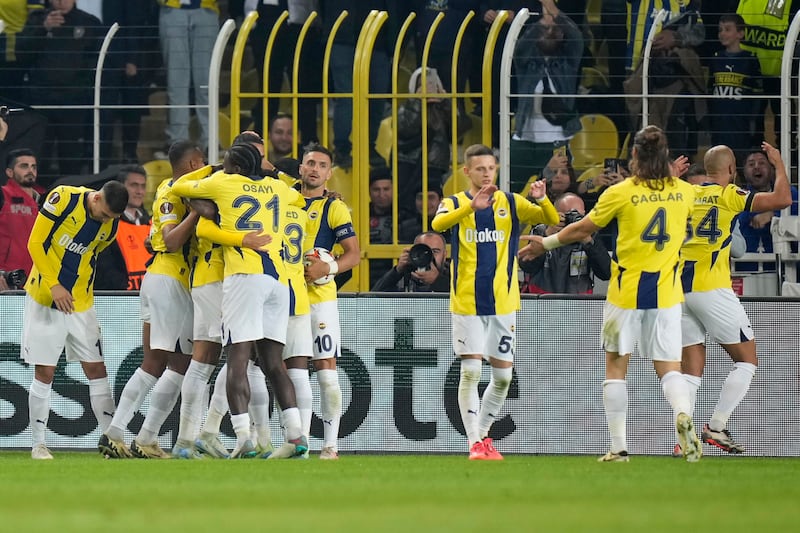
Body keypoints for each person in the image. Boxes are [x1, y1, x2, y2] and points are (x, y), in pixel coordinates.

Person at [518, 125, 702, 463]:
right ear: (665, 157)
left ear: (633, 155)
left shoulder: (620, 192)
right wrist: (671, 179)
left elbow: (583, 228)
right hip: (666, 294)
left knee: (616, 368)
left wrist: (545, 242)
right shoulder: (684, 191)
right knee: (670, 367)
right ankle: (682, 412)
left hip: (625, 292)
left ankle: (618, 447)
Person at [171, 142, 308, 459]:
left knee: (237, 360)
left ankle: (244, 437)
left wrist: (211, 171)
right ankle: (296, 436)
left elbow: (179, 186)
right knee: (275, 365)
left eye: (227, 162)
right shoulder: (277, 187)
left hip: (244, 278)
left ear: (234, 167)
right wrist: (267, 173)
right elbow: (299, 198)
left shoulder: (223, 182)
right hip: (278, 280)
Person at [431, 143, 559, 460]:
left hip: (503, 302)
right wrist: (471, 209)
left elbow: (552, 219)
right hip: (467, 301)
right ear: (466, 171)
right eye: (479, 168)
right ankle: (474, 441)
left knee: (502, 378)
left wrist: (542, 198)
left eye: (490, 168)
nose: (486, 173)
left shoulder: (511, 203)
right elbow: (437, 225)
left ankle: (484, 436)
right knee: (471, 372)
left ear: (496, 169)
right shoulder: (455, 203)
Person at [679, 143, 791, 456]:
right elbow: (783, 199)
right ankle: (716, 426)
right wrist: (780, 165)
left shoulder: (686, 193)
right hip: (711, 287)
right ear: (731, 171)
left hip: (677, 290)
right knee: (747, 360)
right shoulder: (730, 194)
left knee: (691, 369)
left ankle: (683, 440)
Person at [97, 141, 204, 459]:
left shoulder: (179, 190)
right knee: (156, 361)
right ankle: (114, 433)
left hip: (172, 282)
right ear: (191, 163)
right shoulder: (174, 193)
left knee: (181, 364)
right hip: (167, 281)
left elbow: (155, 238)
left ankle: (147, 437)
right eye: (200, 162)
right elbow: (170, 241)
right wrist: (197, 214)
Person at [22, 180, 128, 459]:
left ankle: (111, 442)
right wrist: (55, 284)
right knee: (45, 371)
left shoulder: (111, 225)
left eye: (111, 218)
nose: (106, 220)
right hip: (46, 298)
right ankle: (38, 444)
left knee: (97, 370)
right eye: (104, 213)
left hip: (81, 304)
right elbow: (35, 243)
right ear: (95, 199)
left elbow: (94, 254)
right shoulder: (64, 198)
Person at [291, 142, 361, 459]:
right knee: (292, 370)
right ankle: (299, 442)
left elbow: (354, 255)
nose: (315, 169)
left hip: (320, 299)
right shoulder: (285, 198)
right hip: (287, 297)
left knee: (326, 369)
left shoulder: (335, 208)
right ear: (301, 168)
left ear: (329, 173)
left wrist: (326, 267)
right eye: (310, 163)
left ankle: (331, 444)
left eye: (321, 165)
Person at [16, 0, 103, 181]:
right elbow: (21, 53)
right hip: (41, 101)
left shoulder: (89, 22)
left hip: (73, 101)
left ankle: (71, 198)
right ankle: (39, 199)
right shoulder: (36, 20)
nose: (61, 2)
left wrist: (82, 85)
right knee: (40, 154)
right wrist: (43, 28)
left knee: (71, 156)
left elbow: (98, 60)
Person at [510, 0, 583, 194]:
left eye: (555, 29)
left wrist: (552, 9)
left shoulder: (568, 63)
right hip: (523, 140)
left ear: (562, 36)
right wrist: (543, 22)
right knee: (506, 193)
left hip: (557, 143)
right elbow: (521, 47)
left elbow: (576, 37)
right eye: (544, 29)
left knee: (559, 195)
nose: (549, 31)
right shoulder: (526, 63)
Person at [395, 66, 468, 219]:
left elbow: (458, 130)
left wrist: (447, 103)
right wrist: (417, 101)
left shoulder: (441, 107)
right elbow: (406, 129)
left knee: (432, 205)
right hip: (409, 163)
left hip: (435, 165)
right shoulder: (407, 107)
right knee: (408, 204)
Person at [157, 0, 219, 154]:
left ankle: (211, 140)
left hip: (206, 9)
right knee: (176, 83)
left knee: (206, 83)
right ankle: (177, 142)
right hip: (172, 8)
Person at [519, 192, 611, 294]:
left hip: (579, 302)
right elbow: (526, 267)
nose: (575, 220)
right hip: (543, 300)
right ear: (556, 214)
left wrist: (589, 243)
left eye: (579, 216)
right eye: (569, 215)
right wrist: (548, 235)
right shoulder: (541, 231)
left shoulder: (590, 235)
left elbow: (605, 273)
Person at [708, 14, 762, 164]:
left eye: (727, 29)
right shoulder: (715, 59)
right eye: (720, 30)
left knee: (741, 159)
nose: (722, 33)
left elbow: (757, 95)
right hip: (719, 121)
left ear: (740, 33)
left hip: (741, 122)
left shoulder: (750, 60)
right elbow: (709, 89)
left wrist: (753, 121)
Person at [735, 148, 799, 272]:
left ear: (771, 169)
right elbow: (738, 223)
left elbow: (795, 215)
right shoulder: (737, 196)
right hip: (746, 271)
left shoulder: (790, 193)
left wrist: (773, 215)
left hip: (786, 270)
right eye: (751, 164)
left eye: (762, 163)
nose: (756, 167)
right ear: (744, 172)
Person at [94, 165, 152, 290]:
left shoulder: (151, 223)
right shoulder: (108, 222)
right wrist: (124, 289)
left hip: (149, 295)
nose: (139, 191)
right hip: (122, 297)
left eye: (143, 186)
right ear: (121, 188)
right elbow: (105, 266)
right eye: (134, 185)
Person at [0, 149, 40, 290]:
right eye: (24, 166)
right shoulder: (3, 195)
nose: (30, 170)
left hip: (35, 282)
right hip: (6, 279)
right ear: (10, 172)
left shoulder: (45, 202)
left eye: (33, 166)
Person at [372, 231, 450, 293]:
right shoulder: (403, 274)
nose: (430, 256)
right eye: (423, 251)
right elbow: (373, 299)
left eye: (435, 251)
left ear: (445, 255)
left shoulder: (455, 275)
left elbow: (461, 298)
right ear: (414, 252)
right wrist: (397, 271)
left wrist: (437, 280)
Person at [368, 165, 394, 288]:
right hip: (366, 271)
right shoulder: (360, 214)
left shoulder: (404, 214)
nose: (381, 194)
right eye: (376, 189)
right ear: (369, 191)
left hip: (394, 271)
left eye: (386, 189)